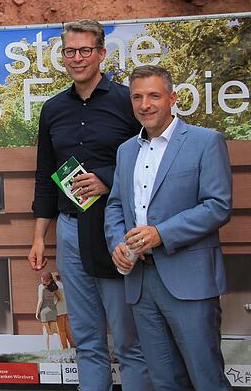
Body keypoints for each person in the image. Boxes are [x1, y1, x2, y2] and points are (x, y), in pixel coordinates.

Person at [27, 19, 152, 390]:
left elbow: (152, 162)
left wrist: (107, 178)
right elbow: (45, 173)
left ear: (101, 53)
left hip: (116, 228)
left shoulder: (127, 102)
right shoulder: (52, 109)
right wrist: (39, 238)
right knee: (87, 339)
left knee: (128, 341)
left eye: (85, 50)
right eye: (69, 51)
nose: (77, 58)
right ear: (62, 56)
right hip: (69, 229)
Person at [106, 65, 233, 390]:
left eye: (154, 96)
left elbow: (217, 206)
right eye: (137, 97)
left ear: (172, 98)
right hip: (141, 283)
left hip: (189, 281)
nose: (145, 104)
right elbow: (116, 206)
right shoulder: (125, 151)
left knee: (207, 380)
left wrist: (161, 233)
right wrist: (117, 243)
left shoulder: (206, 141)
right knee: (164, 381)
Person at [35, 272, 60, 351]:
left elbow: (40, 300)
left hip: (44, 311)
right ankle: (61, 347)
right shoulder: (54, 286)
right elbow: (57, 299)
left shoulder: (41, 287)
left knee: (45, 331)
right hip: (52, 310)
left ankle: (47, 350)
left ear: (44, 279)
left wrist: (37, 311)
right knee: (54, 331)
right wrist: (54, 304)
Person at [52, 272, 74, 349]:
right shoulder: (63, 285)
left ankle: (64, 347)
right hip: (65, 309)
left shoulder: (55, 286)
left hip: (59, 310)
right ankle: (72, 344)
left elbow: (55, 299)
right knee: (66, 328)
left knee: (61, 330)